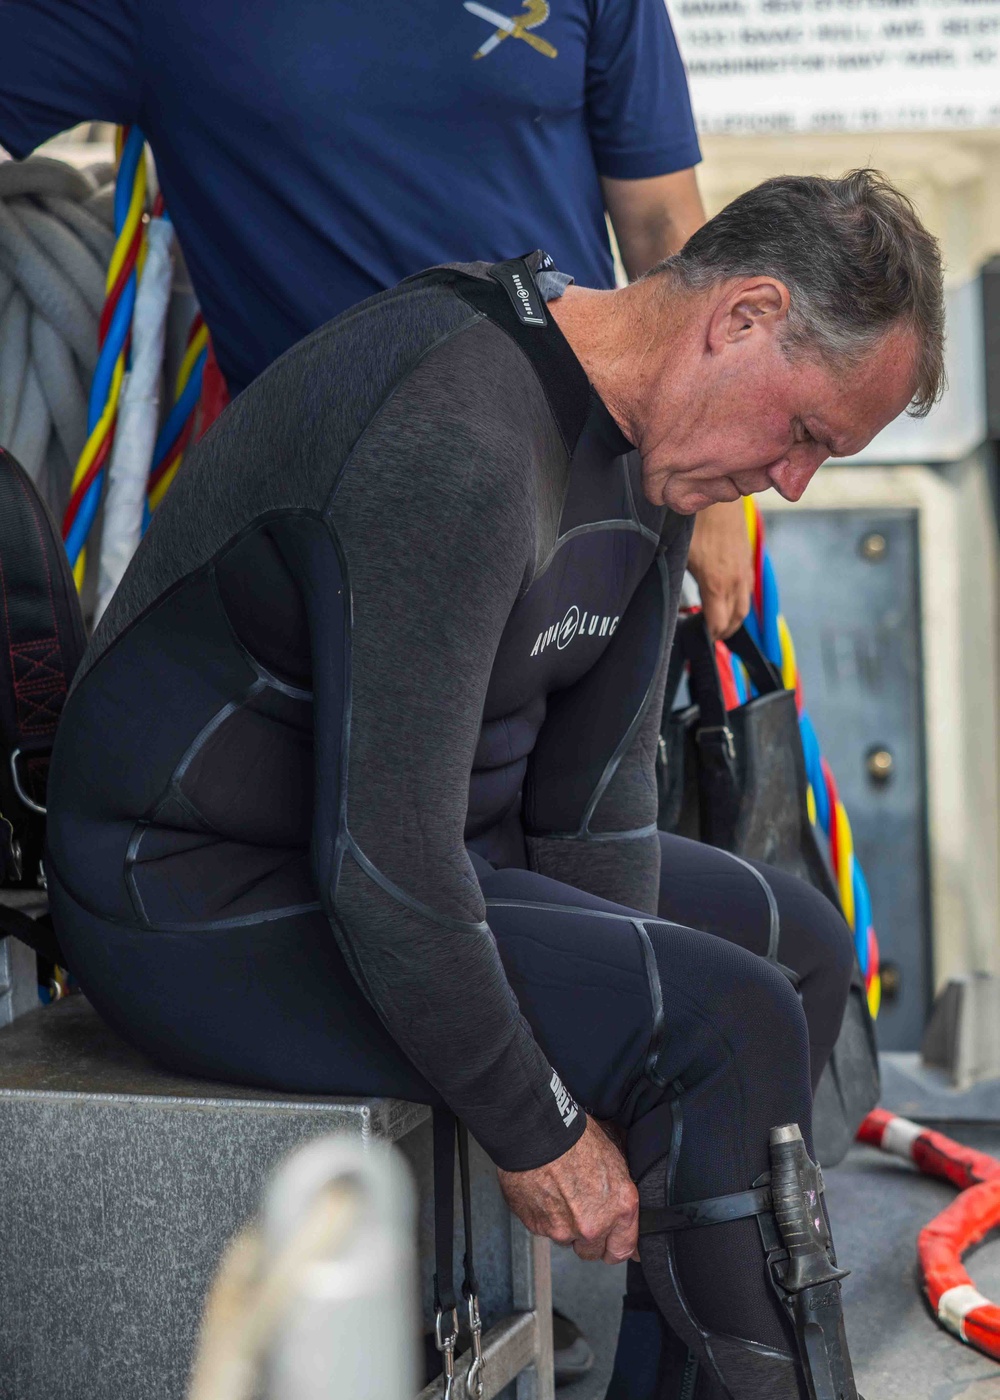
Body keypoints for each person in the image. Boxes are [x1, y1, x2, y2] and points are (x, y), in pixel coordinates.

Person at [43, 170, 942, 1398]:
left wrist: (612, 1025)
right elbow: (383, 863)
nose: (793, 483)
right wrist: (542, 1120)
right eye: (805, 433)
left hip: (414, 853)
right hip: (197, 891)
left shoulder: (652, 445)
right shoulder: (461, 434)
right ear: (741, 315)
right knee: (726, 1020)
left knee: (794, 951)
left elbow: (593, 808)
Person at [0, 0, 751, 655]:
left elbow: (662, 225)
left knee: (591, 809)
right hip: (338, 537)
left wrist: (720, 496)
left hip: (582, 498)